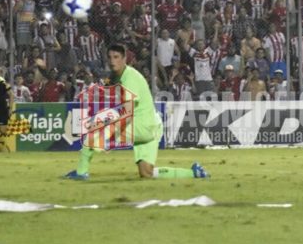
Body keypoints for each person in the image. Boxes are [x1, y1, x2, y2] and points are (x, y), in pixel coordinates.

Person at [64, 44, 210, 180]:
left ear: (124, 59)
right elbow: (108, 84)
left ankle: (81, 172)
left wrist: (111, 135)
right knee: (147, 172)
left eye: (116, 57)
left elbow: (127, 111)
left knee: (94, 130)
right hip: (152, 127)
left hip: (141, 126)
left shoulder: (130, 79)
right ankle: (194, 173)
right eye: (109, 57)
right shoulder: (117, 75)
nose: (112, 61)